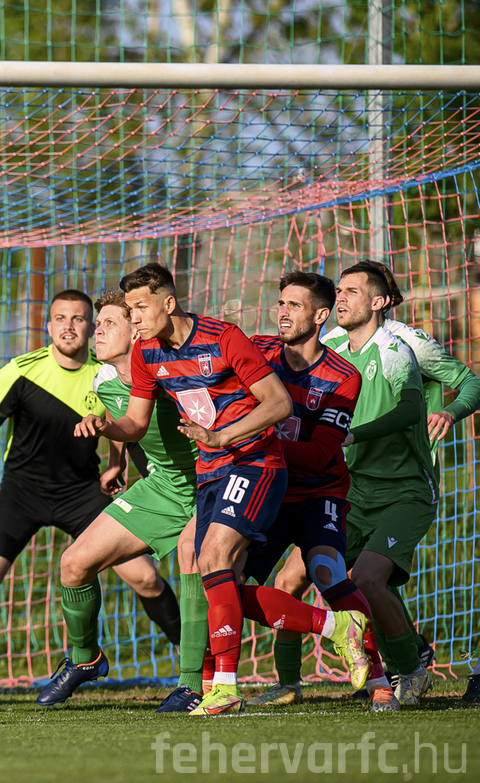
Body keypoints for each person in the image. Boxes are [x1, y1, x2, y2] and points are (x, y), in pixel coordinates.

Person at [78, 262, 368, 716]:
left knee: (211, 557)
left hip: (255, 462)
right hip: (211, 471)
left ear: (169, 303)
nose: (134, 318)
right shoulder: (146, 353)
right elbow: (134, 424)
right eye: (129, 310)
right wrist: (104, 426)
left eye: (140, 307)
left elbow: (279, 403)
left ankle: (224, 687)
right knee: (217, 578)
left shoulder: (224, 337)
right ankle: (333, 627)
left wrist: (222, 436)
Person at [0, 289, 178, 697]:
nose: (69, 326)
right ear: (48, 327)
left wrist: (122, 466)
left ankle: (201, 667)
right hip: (20, 492)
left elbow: (129, 425)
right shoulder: (21, 370)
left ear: (91, 328)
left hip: (82, 493)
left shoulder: (106, 374)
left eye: (79, 319)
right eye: (60, 318)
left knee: (146, 577)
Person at [38, 289, 200, 711]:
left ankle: (193, 683)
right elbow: (122, 417)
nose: (98, 331)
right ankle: (85, 658)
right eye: (99, 323)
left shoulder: (174, 371)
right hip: (161, 487)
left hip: (210, 484)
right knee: (73, 564)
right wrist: (116, 462)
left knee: (199, 568)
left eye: (110, 323)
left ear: (137, 331)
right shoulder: (104, 379)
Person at [244, 273, 394, 709]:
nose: (282, 312)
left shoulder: (342, 376)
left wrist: (249, 438)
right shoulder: (257, 351)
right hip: (266, 490)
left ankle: (379, 681)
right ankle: (280, 681)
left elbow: (319, 455)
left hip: (318, 495)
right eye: (281, 303)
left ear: (320, 315)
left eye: (294, 305)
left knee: (328, 573)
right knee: (222, 583)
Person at [319, 261, 440, 705]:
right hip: (352, 491)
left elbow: (411, 409)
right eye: (338, 290)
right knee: (317, 573)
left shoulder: (393, 350)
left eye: (351, 291)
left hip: (405, 491)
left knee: (369, 579)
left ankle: (410, 670)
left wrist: (353, 434)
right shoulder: (330, 349)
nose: (341, 298)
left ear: (379, 302)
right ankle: (289, 683)